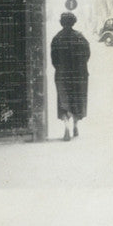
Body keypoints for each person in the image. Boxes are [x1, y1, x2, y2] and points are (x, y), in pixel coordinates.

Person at [50, 12, 90, 141]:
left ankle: (66, 128)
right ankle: (75, 126)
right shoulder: (80, 37)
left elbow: (54, 60)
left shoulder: (57, 38)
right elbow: (87, 55)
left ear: (62, 22)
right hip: (79, 74)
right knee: (77, 99)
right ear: (74, 22)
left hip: (62, 75)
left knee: (64, 100)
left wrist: (61, 68)